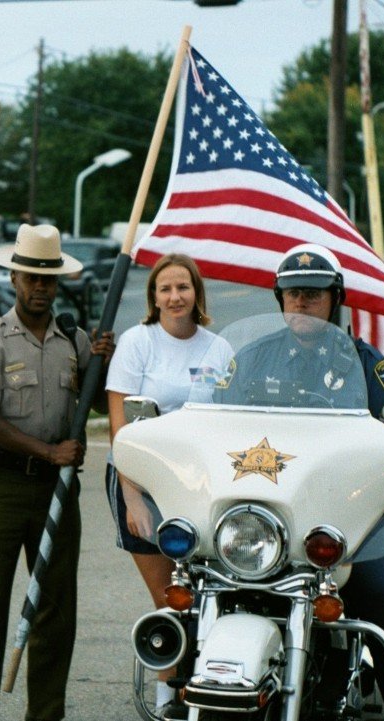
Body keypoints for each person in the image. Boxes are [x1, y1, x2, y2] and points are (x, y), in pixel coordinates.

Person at [219, 244, 384, 721]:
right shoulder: (252, 360)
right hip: (267, 519)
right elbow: (218, 429)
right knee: (208, 592)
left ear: (335, 298)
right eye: (293, 294)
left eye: (313, 294)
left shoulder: (366, 364)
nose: (302, 303)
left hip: (351, 520)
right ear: (280, 298)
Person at [0, 223, 115, 721]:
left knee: (55, 610)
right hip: (3, 487)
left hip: (57, 489)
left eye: (48, 278)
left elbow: (94, 402)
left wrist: (101, 363)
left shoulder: (75, 340)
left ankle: (45, 715)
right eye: (31, 278)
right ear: (14, 279)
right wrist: (49, 453)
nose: (40, 287)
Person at [105, 253, 232, 716]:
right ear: (154, 298)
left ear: (197, 293)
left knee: (213, 594)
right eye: (166, 289)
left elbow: (230, 418)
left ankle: (210, 689)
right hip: (142, 479)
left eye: (183, 287)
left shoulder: (219, 348)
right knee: (171, 598)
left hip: (201, 483)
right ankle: (166, 701)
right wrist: (133, 498)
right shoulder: (137, 343)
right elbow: (119, 428)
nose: (175, 296)